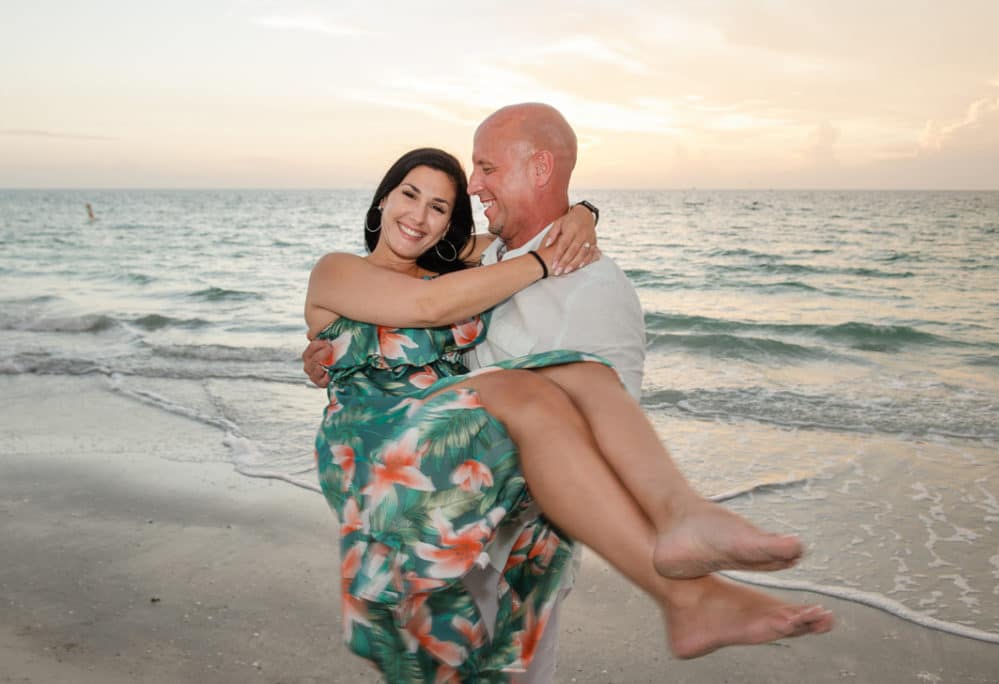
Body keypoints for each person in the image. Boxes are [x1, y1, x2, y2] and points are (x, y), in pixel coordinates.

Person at [305, 118, 832, 682]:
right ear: (383, 199)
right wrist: (540, 265)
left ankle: (684, 530)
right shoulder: (339, 271)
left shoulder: (460, 266)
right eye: (409, 195)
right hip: (380, 455)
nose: (419, 215)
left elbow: (541, 230)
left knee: (579, 370)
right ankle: (685, 583)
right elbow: (430, 310)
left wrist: (584, 213)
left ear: (448, 225)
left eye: (440, 207)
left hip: (448, 451)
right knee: (523, 384)